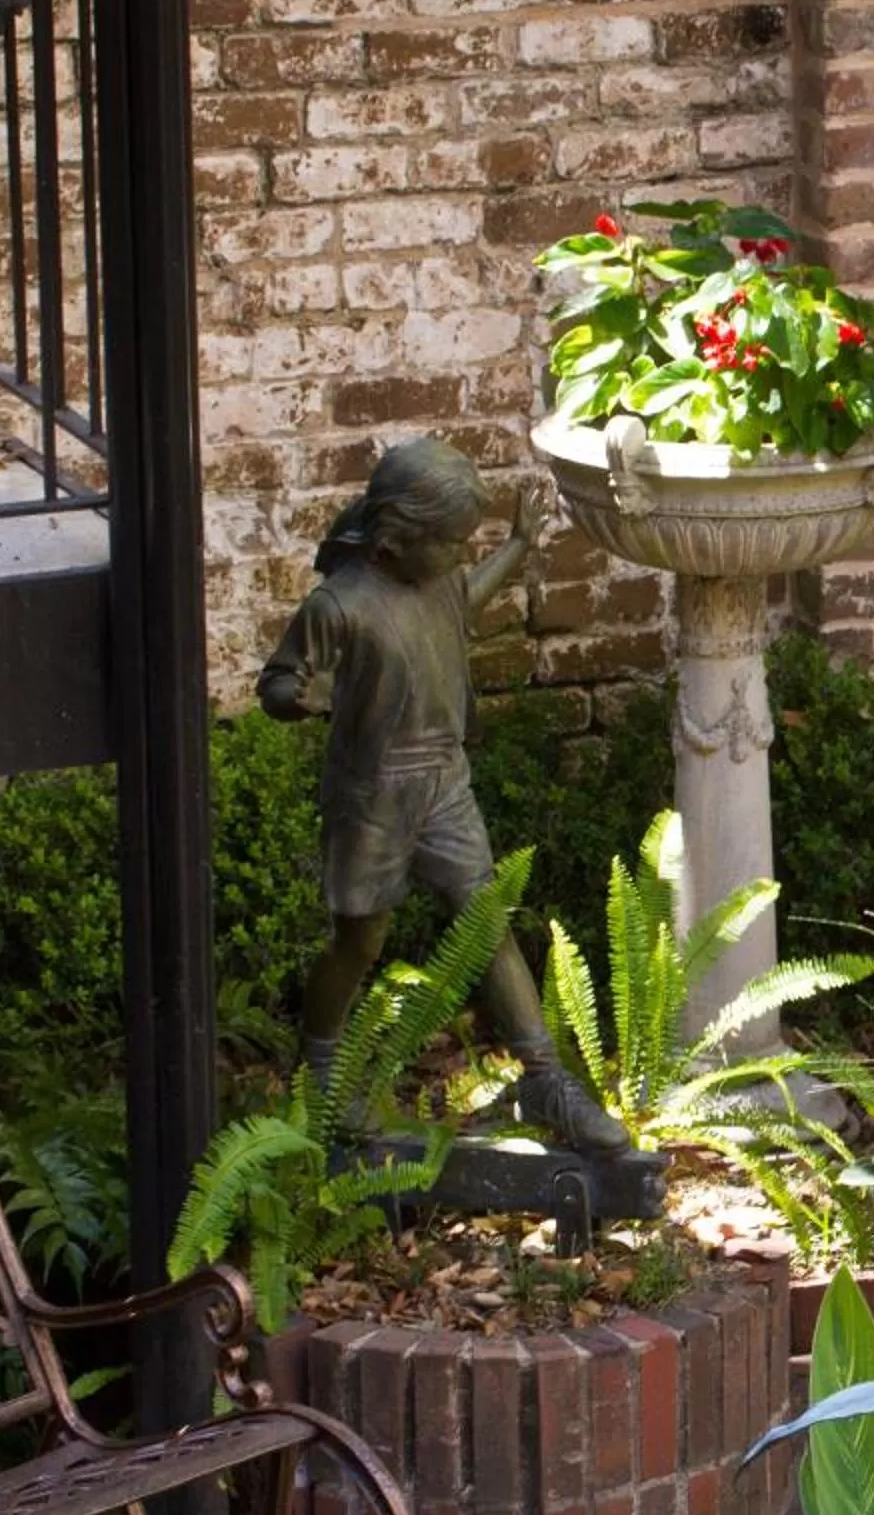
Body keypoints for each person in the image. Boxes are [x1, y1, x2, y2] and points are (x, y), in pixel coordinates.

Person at [259, 437, 626, 1152]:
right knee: (361, 939)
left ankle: (544, 1080)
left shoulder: (437, 583)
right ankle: (324, 1067)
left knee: (484, 919)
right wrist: (297, 700)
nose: (462, 556)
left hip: (444, 780)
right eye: (452, 543)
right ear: (397, 539)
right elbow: (278, 679)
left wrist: (520, 544)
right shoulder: (341, 605)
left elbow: (467, 598)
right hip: (374, 795)